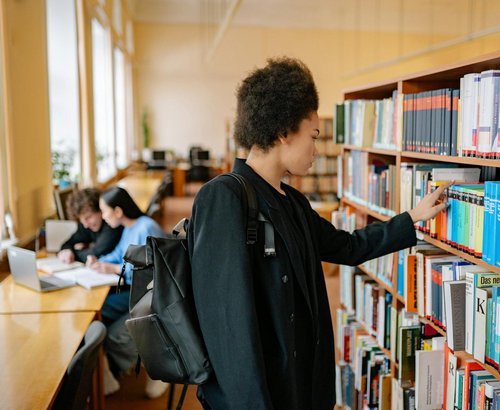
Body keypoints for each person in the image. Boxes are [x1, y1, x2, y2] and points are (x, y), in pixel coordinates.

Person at [188, 57, 450, 409]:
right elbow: (227, 325)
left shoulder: (293, 201)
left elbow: (348, 247)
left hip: (299, 385)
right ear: (283, 132)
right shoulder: (224, 198)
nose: (316, 149)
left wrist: (413, 217)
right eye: (312, 136)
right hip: (259, 394)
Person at [87, 186, 169, 398]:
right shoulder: (129, 227)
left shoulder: (146, 227)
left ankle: (156, 369)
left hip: (152, 293)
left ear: (118, 211)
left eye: (104, 211)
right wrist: (99, 262)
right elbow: (118, 254)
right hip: (135, 290)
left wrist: (113, 269)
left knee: (114, 334)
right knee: (97, 313)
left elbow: (150, 272)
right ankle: (105, 375)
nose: (103, 217)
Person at [58, 188, 123, 263]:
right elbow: (67, 243)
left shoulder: (112, 224)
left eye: (88, 217)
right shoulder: (86, 225)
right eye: (81, 220)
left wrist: (73, 254)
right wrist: (67, 251)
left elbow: (96, 252)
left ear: (100, 209)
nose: (85, 225)